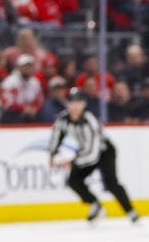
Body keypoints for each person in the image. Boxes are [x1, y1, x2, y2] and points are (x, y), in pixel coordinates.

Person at [47, 88, 140, 223]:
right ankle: (95, 204)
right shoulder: (63, 120)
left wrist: (72, 162)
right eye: (72, 102)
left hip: (104, 152)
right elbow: (56, 137)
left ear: (84, 104)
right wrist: (52, 155)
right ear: (67, 104)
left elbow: (92, 153)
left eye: (78, 102)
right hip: (85, 151)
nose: (75, 106)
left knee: (111, 183)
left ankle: (131, 212)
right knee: (74, 181)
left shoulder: (91, 121)